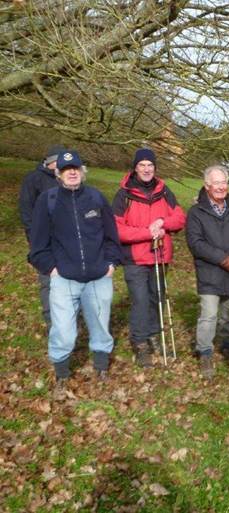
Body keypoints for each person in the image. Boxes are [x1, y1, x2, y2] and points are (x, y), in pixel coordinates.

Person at [28, 151, 122, 397]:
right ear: (57, 173)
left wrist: (110, 264)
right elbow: (37, 245)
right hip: (64, 279)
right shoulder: (47, 201)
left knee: (101, 326)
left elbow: (113, 237)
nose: (72, 172)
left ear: (82, 171)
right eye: (66, 169)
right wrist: (52, 269)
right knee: (63, 331)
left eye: (76, 168)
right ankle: (61, 374)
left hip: (98, 277)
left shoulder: (96, 198)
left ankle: (101, 367)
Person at [113, 148, 186, 367]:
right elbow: (117, 230)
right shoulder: (124, 195)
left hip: (160, 256)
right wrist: (148, 232)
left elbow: (180, 218)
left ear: (155, 168)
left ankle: (155, 334)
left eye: (150, 165)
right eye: (142, 165)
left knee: (157, 296)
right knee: (140, 300)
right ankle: (140, 342)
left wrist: (163, 223)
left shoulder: (164, 191)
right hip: (135, 259)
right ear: (135, 168)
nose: (146, 169)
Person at [186, 165, 229, 380]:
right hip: (210, 273)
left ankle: (227, 343)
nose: (221, 187)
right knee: (209, 315)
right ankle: (205, 351)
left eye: (224, 182)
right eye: (216, 183)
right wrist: (223, 259)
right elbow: (196, 243)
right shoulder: (196, 212)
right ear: (207, 186)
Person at [19, 144, 66, 326]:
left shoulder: (66, 179)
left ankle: (68, 320)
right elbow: (26, 211)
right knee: (48, 281)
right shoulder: (33, 179)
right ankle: (51, 322)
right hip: (43, 242)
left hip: (66, 241)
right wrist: (34, 240)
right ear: (51, 162)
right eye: (59, 162)